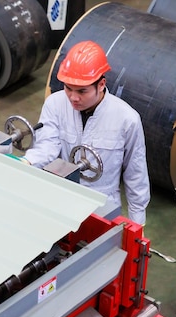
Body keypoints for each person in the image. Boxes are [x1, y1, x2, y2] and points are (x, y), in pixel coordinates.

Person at [23, 40, 150, 226]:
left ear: (101, 84)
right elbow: (47, 146)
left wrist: (137, 225)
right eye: (68, 88)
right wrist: (27, 162)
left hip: (103, 206)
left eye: (82, 91)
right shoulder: (55, 105)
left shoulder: (126, 119)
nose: (73, 98)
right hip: (61, 198)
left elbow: (136, 173)